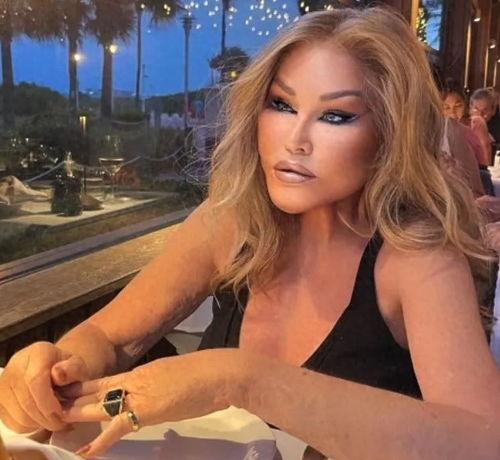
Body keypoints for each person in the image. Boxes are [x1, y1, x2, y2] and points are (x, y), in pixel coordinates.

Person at [1, 7, 500, 460]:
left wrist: (239, 380)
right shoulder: (233, 222)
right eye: (281, 105)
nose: (295, 140)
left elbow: (484, 442)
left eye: (336, 116)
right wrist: (56, 370)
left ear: (390, 134)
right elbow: (109, 337)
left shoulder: (416, 256)